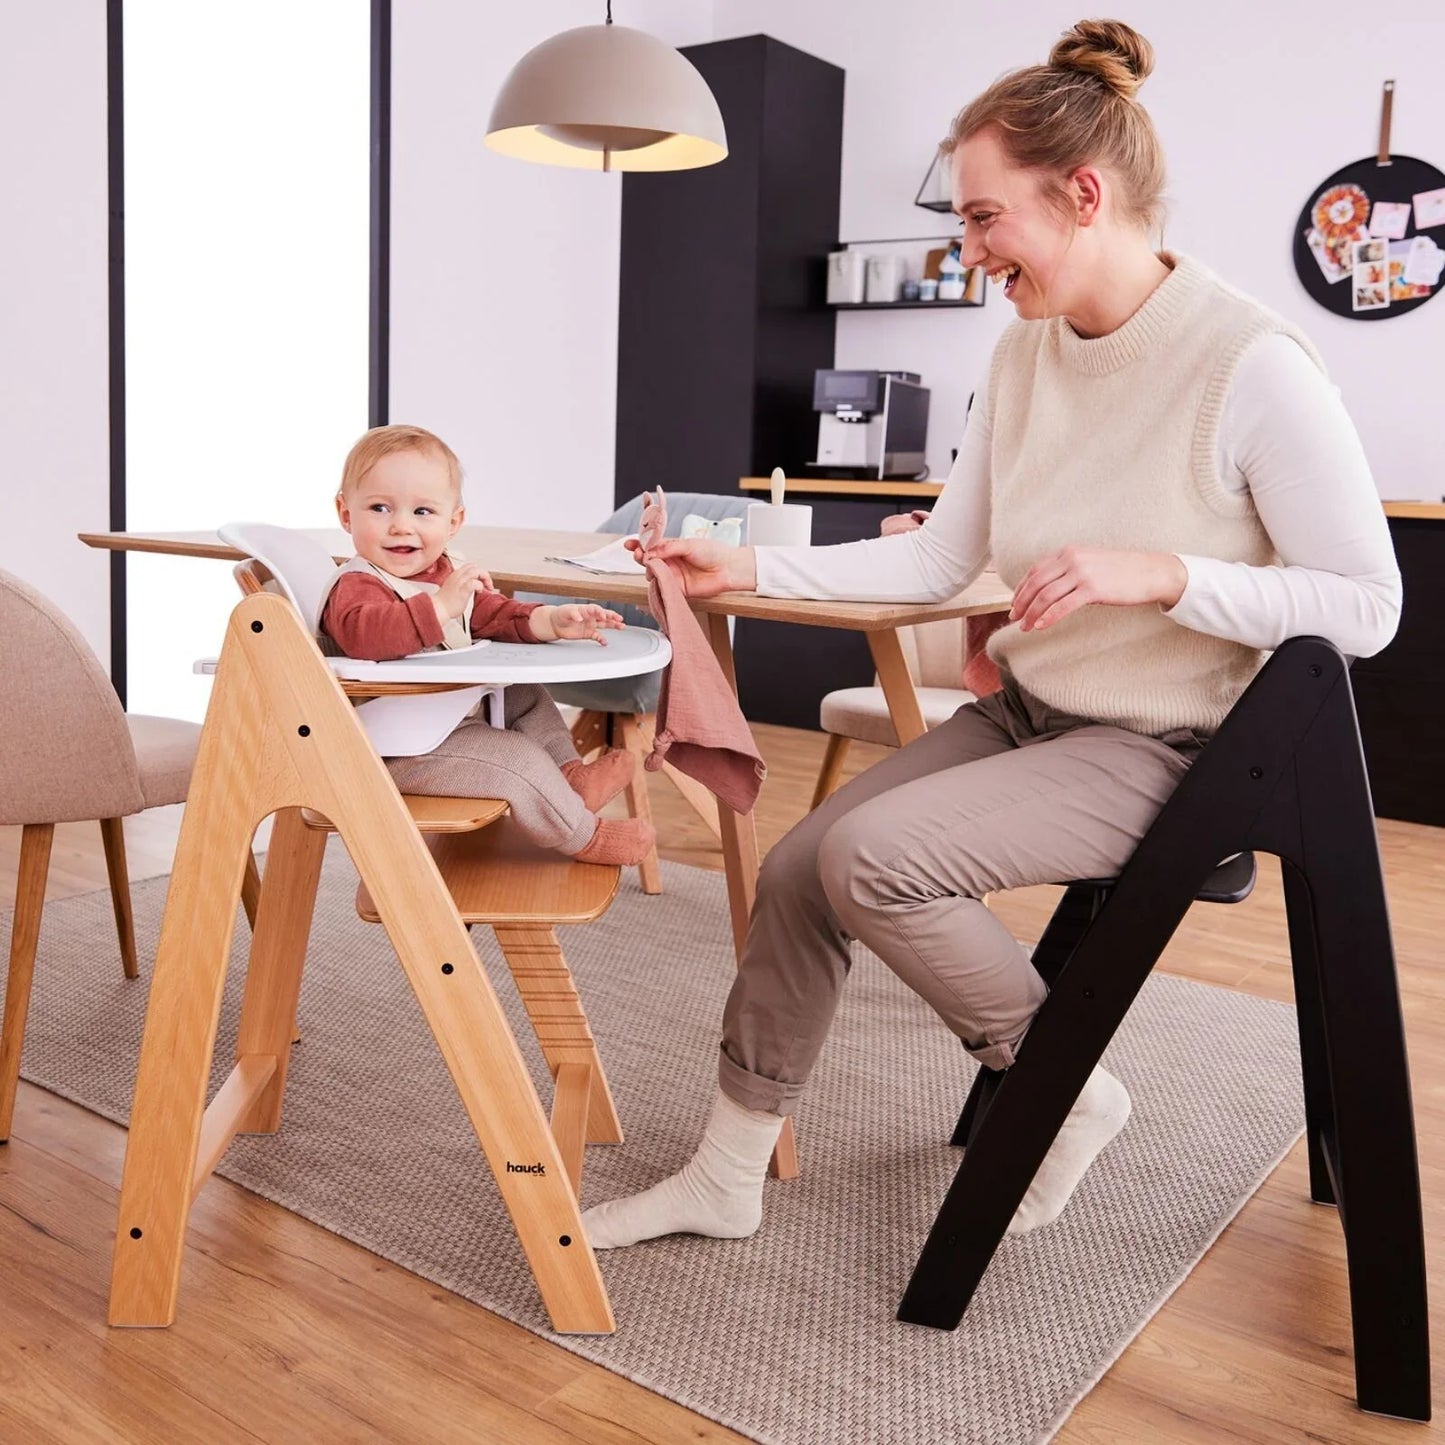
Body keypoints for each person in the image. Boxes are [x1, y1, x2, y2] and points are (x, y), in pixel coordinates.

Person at [581, 18, 1402, 1248]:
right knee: (803, 863)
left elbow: (1365, 604)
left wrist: (1163, 574)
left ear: (1082, 195)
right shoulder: (1020, 356)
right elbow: (934, 559)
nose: (965, 252)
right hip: (1028, 711)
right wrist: (740, 565)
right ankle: (725, 1173)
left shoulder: (1251, 367)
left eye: (979, 218)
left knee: (874, 858)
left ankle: (1057, 1083)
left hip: (1170, 745)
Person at [321, 423, 656, 866]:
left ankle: (569, 778)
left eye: (422, 511)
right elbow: (366, 635)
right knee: (517, 760)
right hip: (396, 749)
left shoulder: (442, 575)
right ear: (346, 514)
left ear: (453, 522)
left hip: (444, 717)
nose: (401, 526)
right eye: (380, 508)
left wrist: (550, 621)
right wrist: (440, 606)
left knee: (524, 693)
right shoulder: (358, 585)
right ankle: (584, 836)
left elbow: (493, 614)